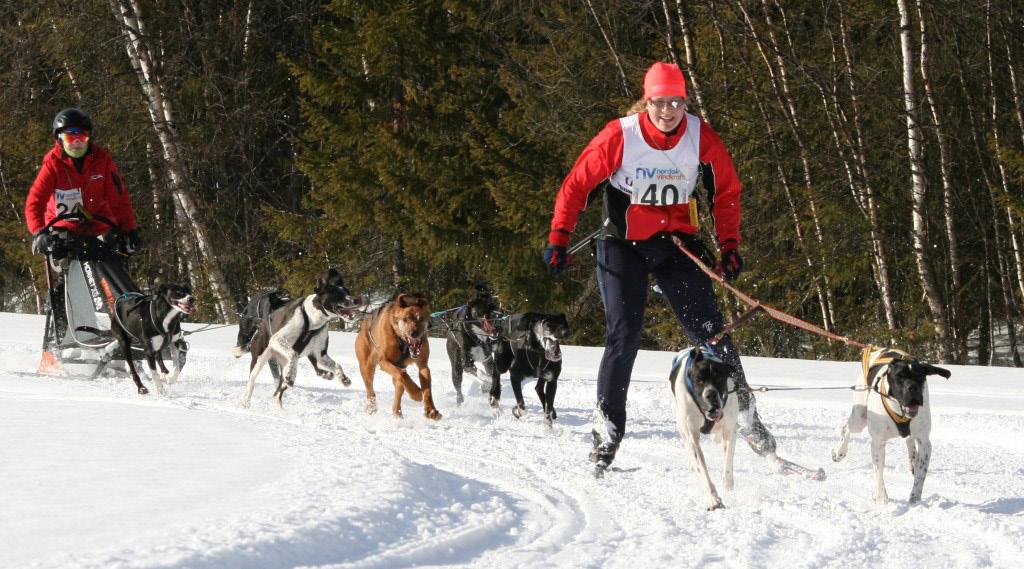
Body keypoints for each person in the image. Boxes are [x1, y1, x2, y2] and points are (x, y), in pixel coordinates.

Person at [542, 62, 776, 469]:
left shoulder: (700, 135)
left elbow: (727, 192)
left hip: (675, 245)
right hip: (623, 246)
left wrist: (730, 244)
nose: (668, 110)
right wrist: (559, 236)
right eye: (660, 101)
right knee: (625, 334)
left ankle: (748, 414)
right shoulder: (621, 135)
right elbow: (577, 184)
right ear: (646, 101)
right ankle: (608, 427)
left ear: (685, 101)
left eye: (677, 101)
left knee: (712, 334)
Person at [24, 108, 143, 347]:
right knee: (70, 272)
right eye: (70, 138)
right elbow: (34, 203)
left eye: (82, 137)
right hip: (63, 229)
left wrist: (130, 231)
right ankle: (68, 337)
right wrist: (40, 233)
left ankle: (129, 324)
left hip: (99, 225)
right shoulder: (53, 165)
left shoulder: (102, 161)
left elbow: (119, 199)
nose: (77, 143)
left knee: (112, 263)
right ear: (59, 139)